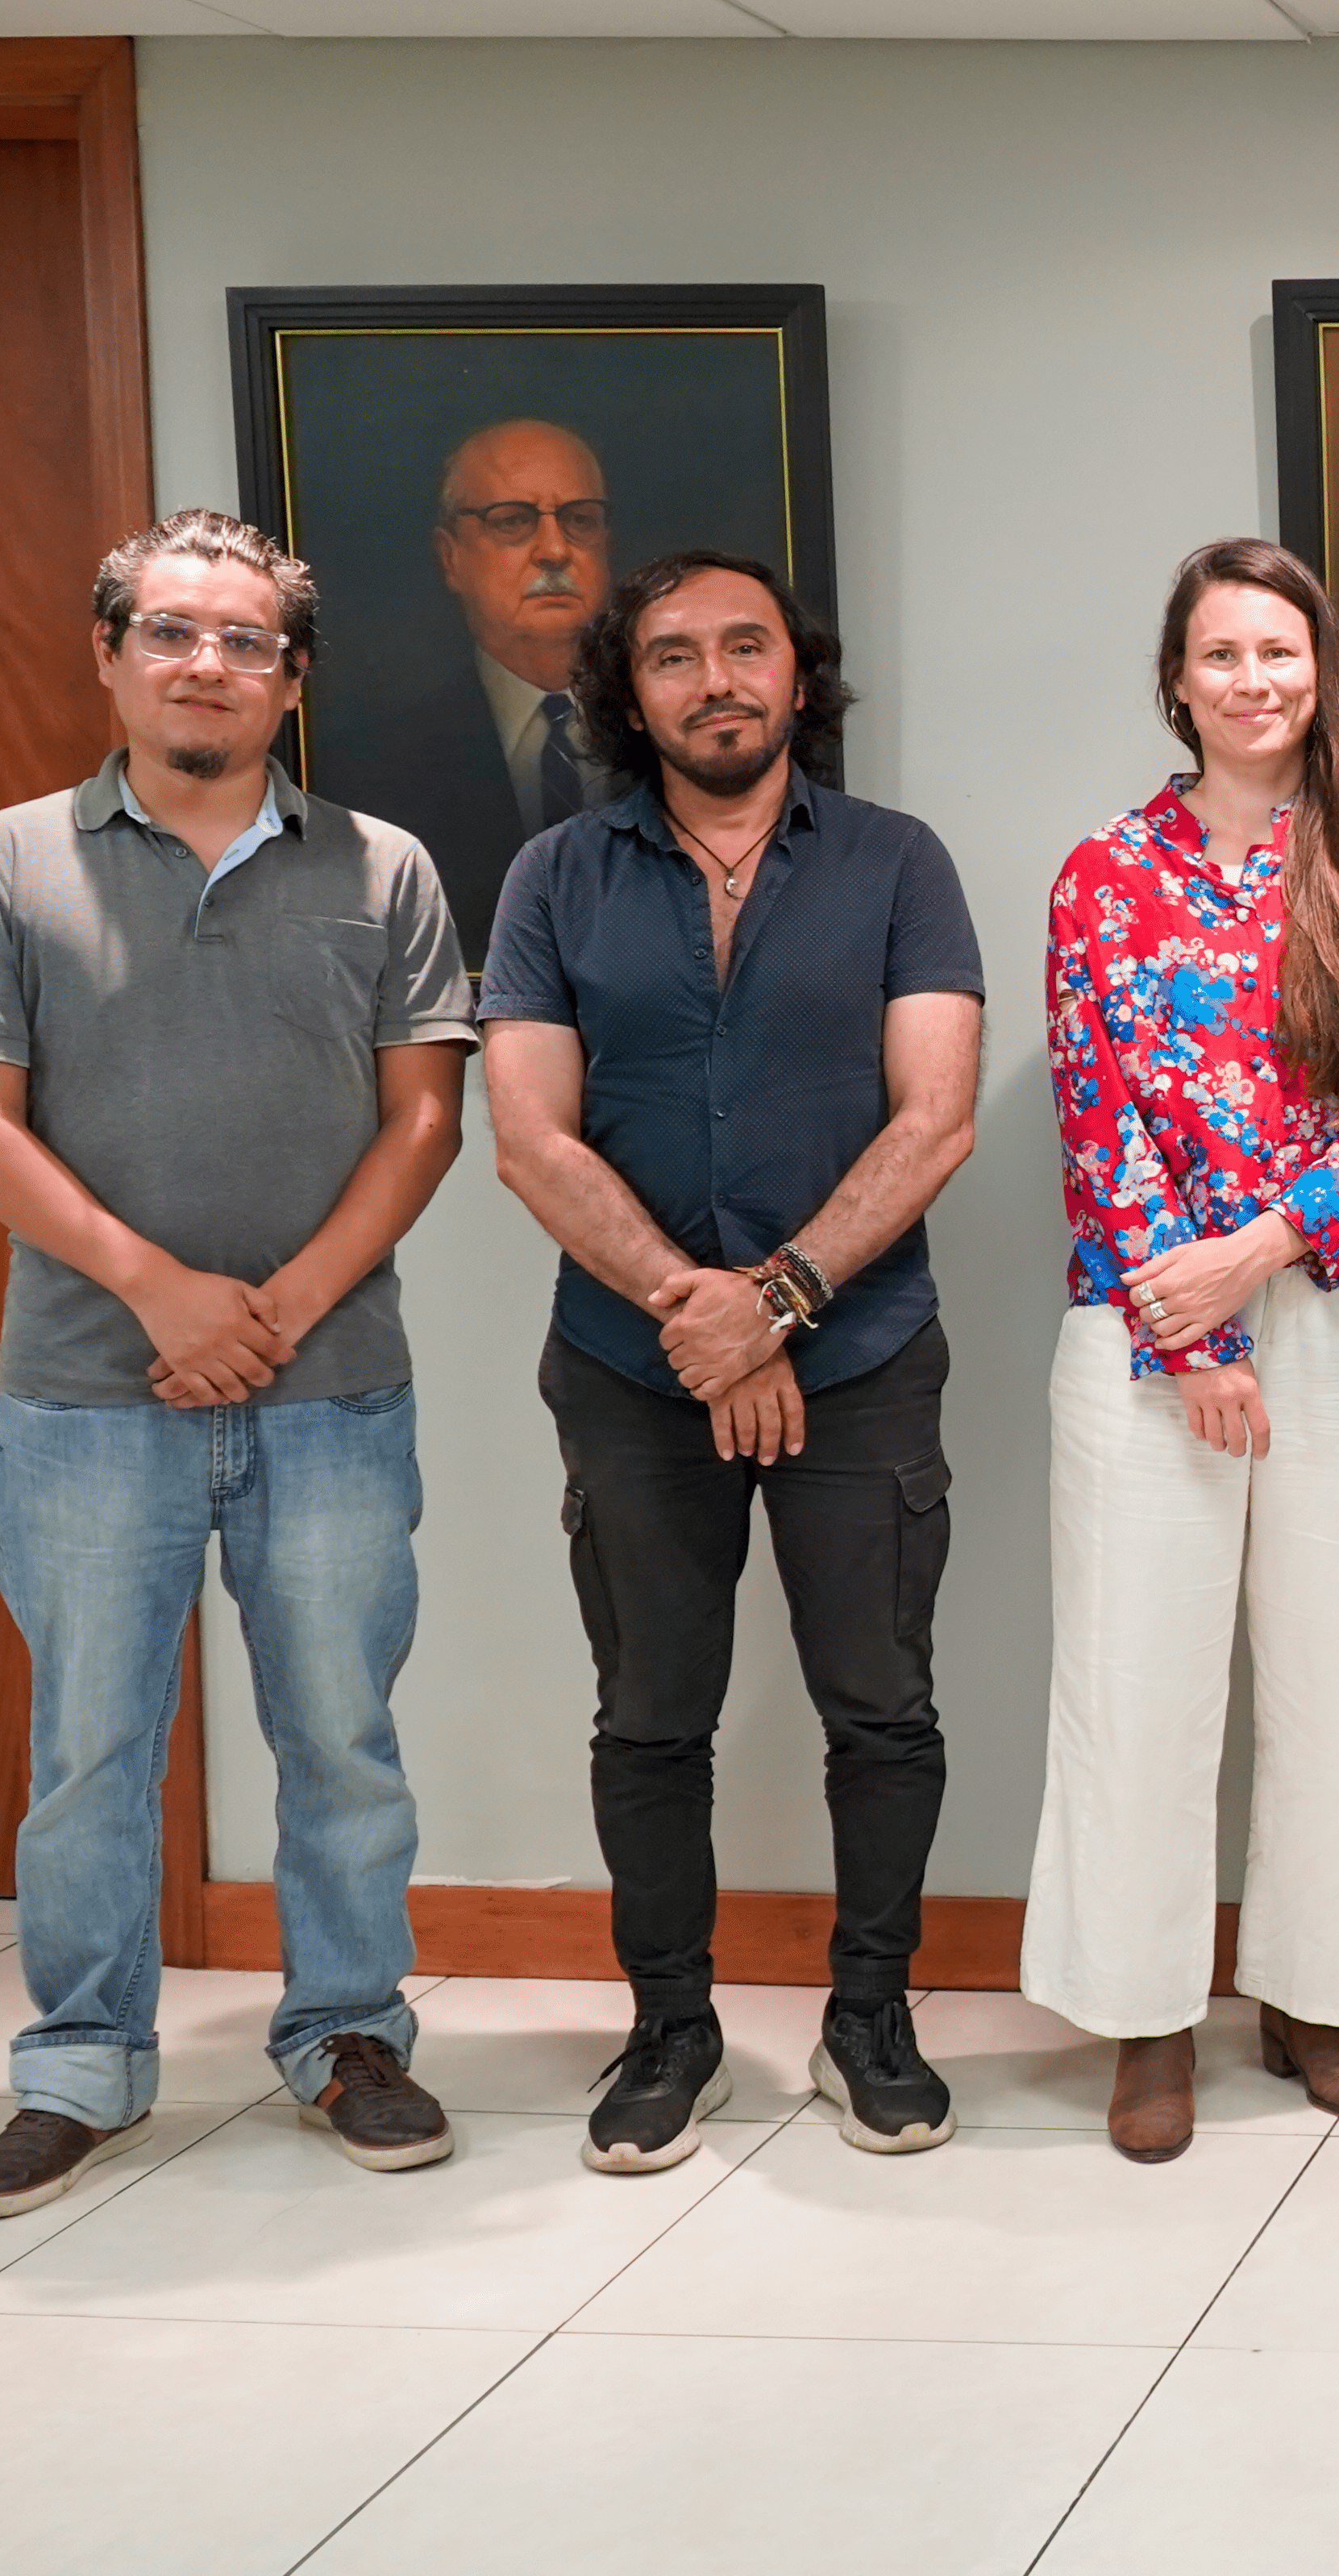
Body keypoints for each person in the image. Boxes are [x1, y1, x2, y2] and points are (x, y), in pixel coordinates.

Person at [0, 511, 476, 2215]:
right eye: (171, 631)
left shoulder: (385, 868)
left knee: (342, 1731)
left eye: (244, 640)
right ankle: (82, 2064)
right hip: (90, 1390)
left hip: (332, 1385)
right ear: (110, 654)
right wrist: (160, 1290)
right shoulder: (6, 862)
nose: (206, 662)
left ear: (292, 678)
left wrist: (277, 1307)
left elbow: (425, 1117)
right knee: (89, 1743)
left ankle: (350, 2033)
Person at [481, 549, 987, 2171]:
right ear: (630, 692)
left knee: (883, 1708)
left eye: (747, 647)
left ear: (797, 672)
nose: (718, 678)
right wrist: (696, 1318)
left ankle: (871, 2019)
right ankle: (671, 2028)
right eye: (678, 654)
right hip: (632, 1370)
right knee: (649, 1715)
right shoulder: (556, 875)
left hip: (863, 1358)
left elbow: (937, 1115)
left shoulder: (899, 863)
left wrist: (772, 1302)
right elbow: (527, 1136)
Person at [1026, 538, 1339, 2157]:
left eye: (1280, 650)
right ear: (1179, 678)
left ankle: (1315, 1989)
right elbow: (1096, 1112)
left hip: (1338, 1308)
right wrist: (1183, 1325)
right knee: (1139, 1680)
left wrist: (1264, 1254)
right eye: (1222, 653)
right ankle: (1147, 2016)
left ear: (1315, 669)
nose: (1253, 679)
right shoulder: (1103, 873)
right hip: (1145, 1336)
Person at [315, 417, 625, 953]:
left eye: (580, 519)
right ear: (450, 557)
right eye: (512, 522)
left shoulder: (675, 730)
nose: (555, 550)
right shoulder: (372, 761)